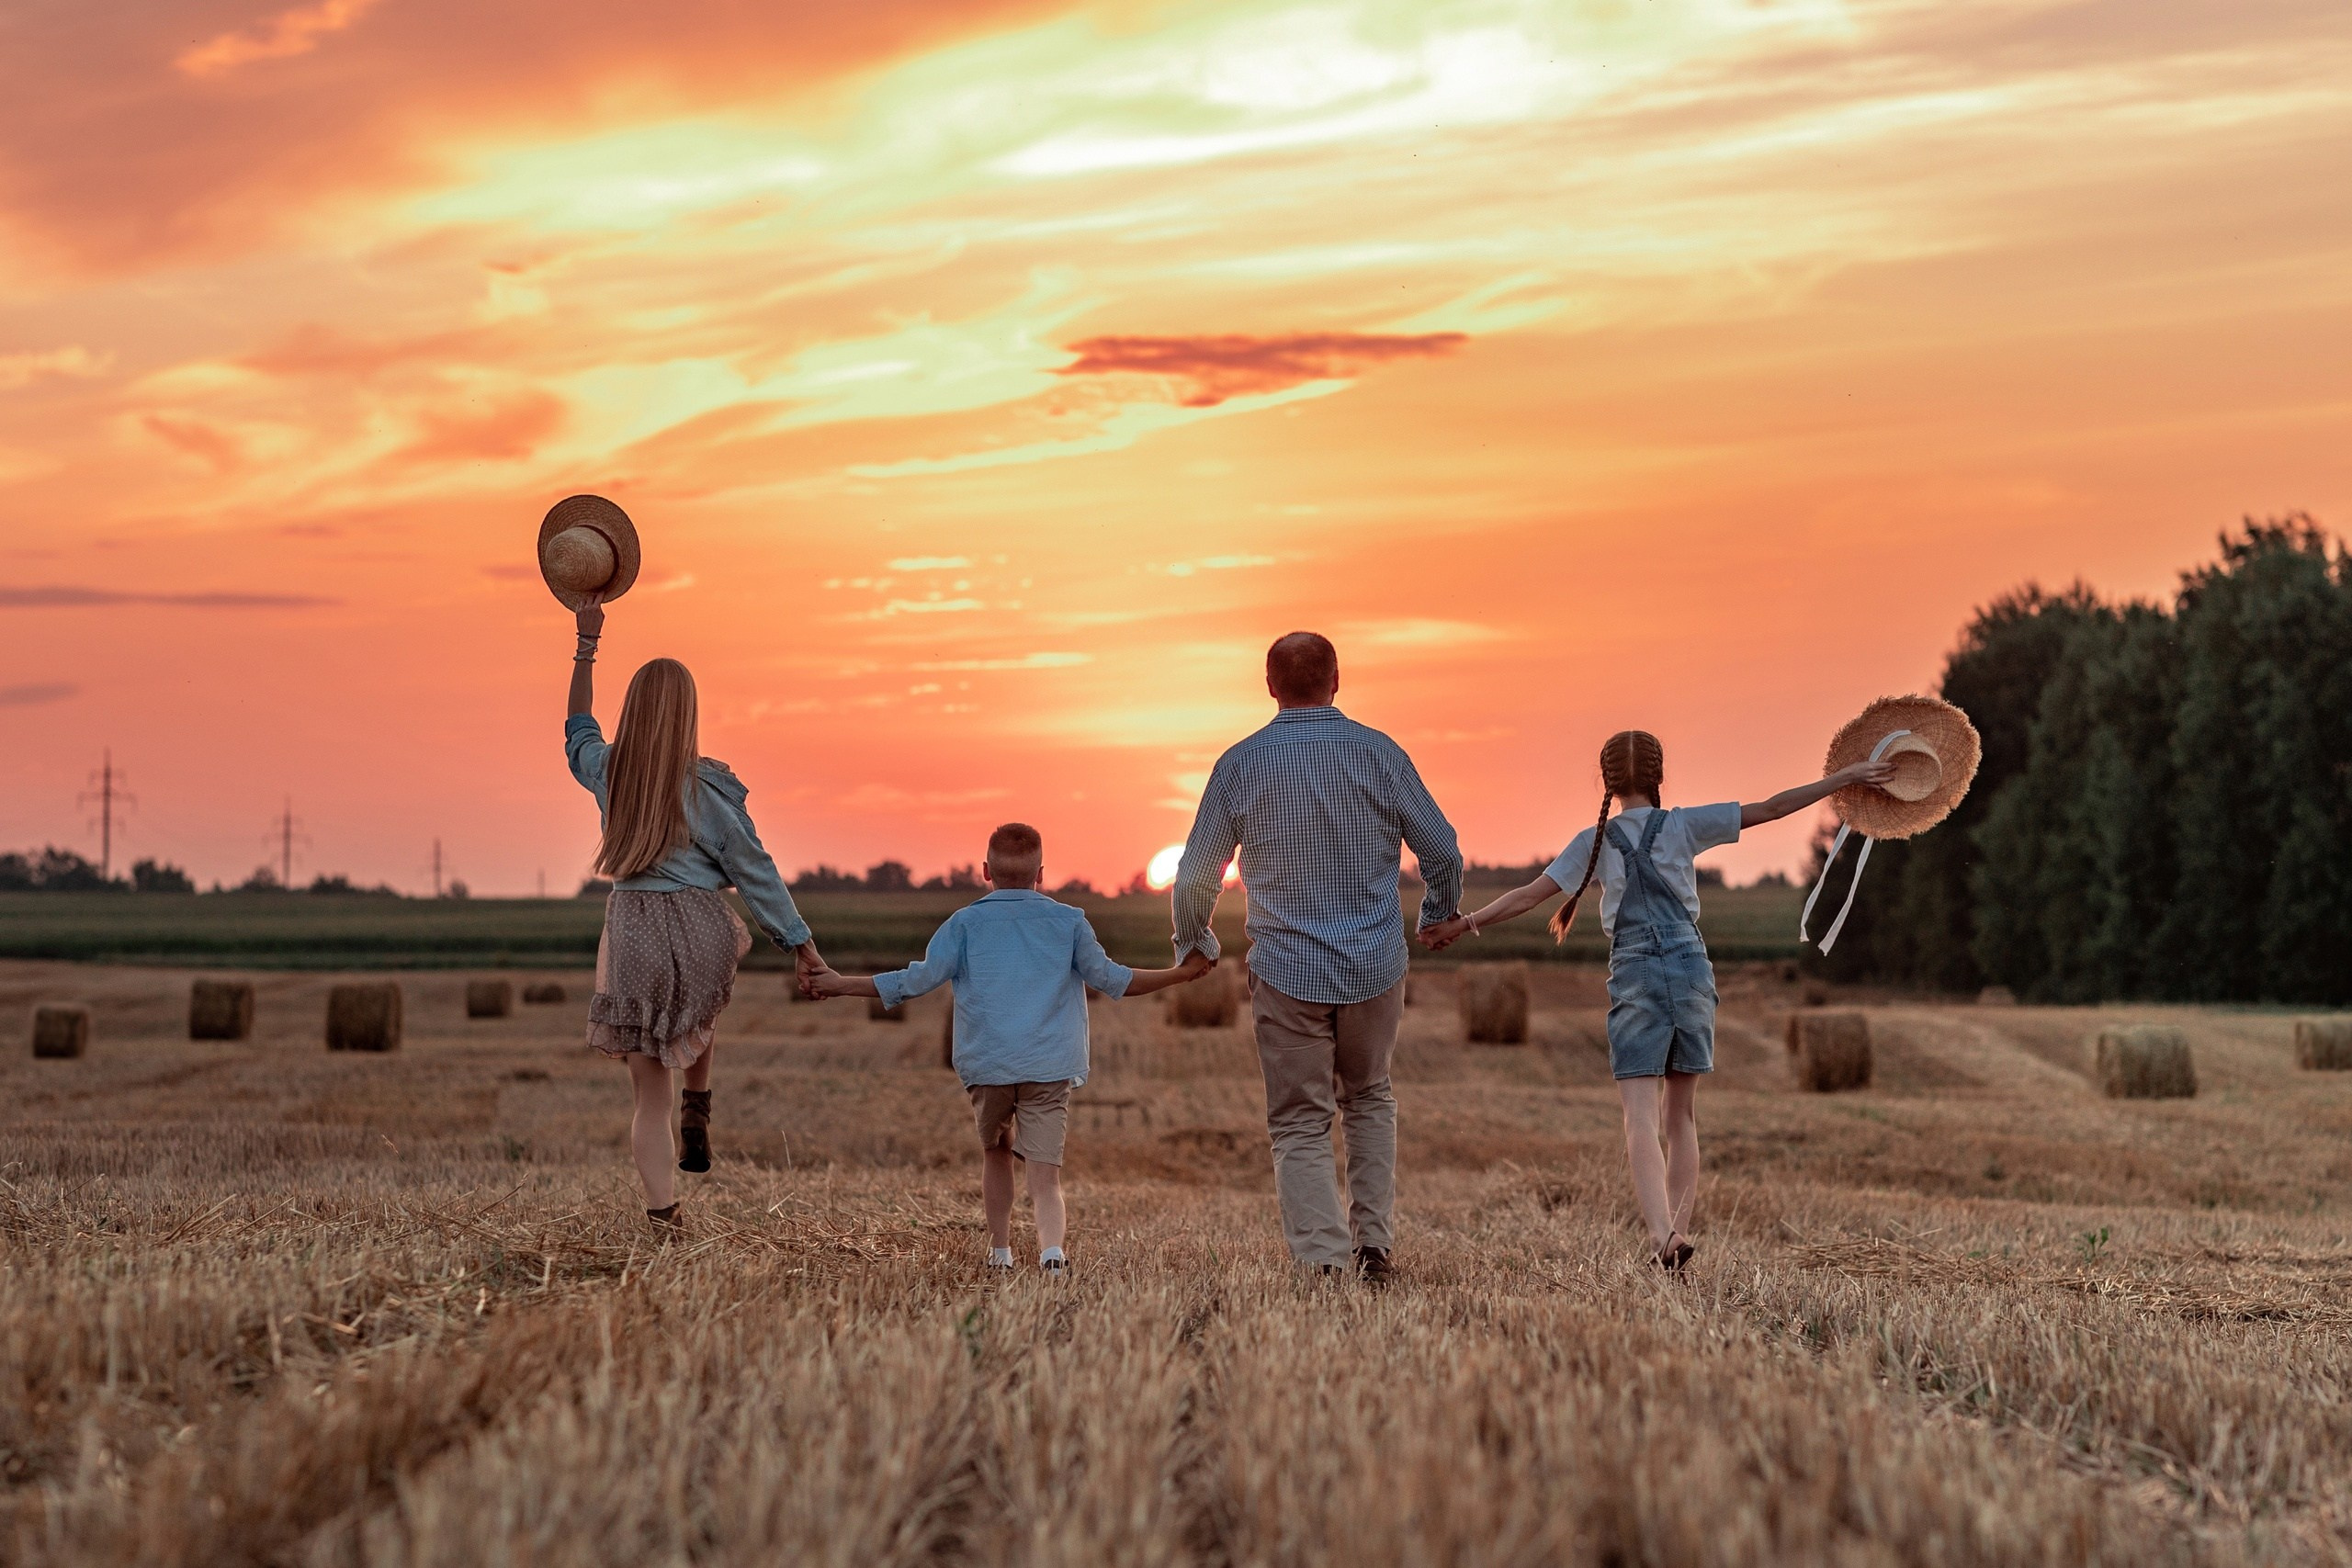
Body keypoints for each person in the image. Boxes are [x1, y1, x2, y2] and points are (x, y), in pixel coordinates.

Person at [1421, 730, 1895, 1269]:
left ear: (1607, 782)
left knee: (1639, 1117)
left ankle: (1660, 1236)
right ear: (1659, 775)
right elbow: (1772, 807)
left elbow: (1529, 896)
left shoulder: (1595, 842)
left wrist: (1464, 923)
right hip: (1690, 966)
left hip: (1637, 971)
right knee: (1681, 1115)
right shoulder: (1684, 825)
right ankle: (1678, 1232)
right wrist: (1846, 777)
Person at [1171, 632, 1464, 1286]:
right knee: (1369, 1097)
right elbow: (1442, 850)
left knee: (1300, 1120)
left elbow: (1193, 876)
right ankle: (1374, 1249)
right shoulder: (1380, 753)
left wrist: (1195, 940)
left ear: (1270, 686)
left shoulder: (1240, 764)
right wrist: (1437, 914)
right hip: (1374, 966)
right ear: (1337, 680)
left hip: (1285, 969)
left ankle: (1324, 1261)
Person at [806, 823, 1212, 1274]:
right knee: (1046, 1173)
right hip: (1049, 1064)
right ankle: (1052, 1252)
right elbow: (1115, 980)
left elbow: (915, 981)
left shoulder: (964, 924)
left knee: (997, 1152)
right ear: (1041, 873)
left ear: (986, 871)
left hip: (989, 1064)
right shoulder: (1069, 922)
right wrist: (1179, 974)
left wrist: (840, 983)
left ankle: (1000, 1253)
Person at [564, 595, 826, 1231]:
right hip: (698, 923)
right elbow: (755, 868)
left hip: (633, 929)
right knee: (701, 1009)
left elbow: (577, 727)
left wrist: (585, 646)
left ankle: (663, 1214)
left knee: (647, 1097)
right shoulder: (706, 787)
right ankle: (700, 1103)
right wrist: (800, 943)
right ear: (688, 715)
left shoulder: (609, 771)